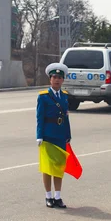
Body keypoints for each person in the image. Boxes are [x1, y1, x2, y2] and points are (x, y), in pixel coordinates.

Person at [36, 63, 71, 209]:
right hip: (48, 136)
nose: (57, 80)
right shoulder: (43, 97)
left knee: (59, 167)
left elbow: (66, 117)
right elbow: (40, 117)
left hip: (60, 136)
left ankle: (58, 197)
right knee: (48, 168)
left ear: (63, 80)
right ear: (50, 79)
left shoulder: (65, 96)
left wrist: (68, 135)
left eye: (59, 78)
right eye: (54, 77)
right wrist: (39, 136)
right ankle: (48, 196)